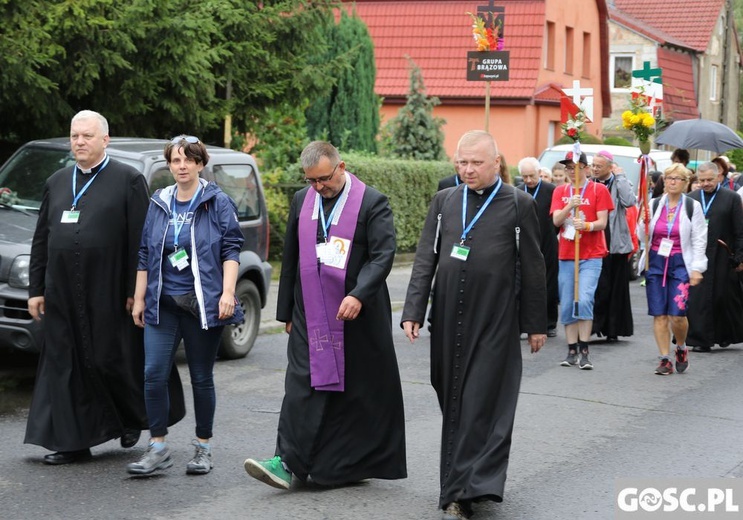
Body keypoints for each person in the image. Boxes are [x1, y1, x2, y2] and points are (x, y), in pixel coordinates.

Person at [243, 141, 406, 489]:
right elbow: (291, 258)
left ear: (341, 166)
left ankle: (341, 466)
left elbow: (382, 255)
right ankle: (285, 461)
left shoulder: (372, 203)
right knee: (301, 383)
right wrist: (285, 309)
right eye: (311, 181)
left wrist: (359, 294)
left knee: (353, 393)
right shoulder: (304, 200)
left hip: (357, 315)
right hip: (310, 311)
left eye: (324, 179)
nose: (319, 187)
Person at [25, 110, 185, 465]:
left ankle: (130, 419)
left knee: (111, 359)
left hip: (109, 289)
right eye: (74, 136)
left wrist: (136, 290)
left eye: (86, 136)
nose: (79, 142)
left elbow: (140, 240)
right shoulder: (56, 181)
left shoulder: (127, 179)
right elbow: (41, 241)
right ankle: (73, 442)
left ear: (104, 140)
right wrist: (36, 289)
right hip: (62, 292)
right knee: (64, 365)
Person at [402, 130, 546, 520]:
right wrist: (413, 310)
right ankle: (463, 480)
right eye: (461, 162)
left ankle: (463, 489)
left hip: (495, 319)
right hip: (448, 316)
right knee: (452, 398)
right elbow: (424, 259)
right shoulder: (445, 200)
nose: (467, 170)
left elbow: (533, 267)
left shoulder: (517, 204)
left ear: (496, 163)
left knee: (482, 400)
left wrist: (536, 324)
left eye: (475, 163)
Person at [126, 136, 244, 476]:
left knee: (201, 377)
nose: (181, 166)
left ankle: (202, 447)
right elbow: (145, 253)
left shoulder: (216, 201)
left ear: (199, 164)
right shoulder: (159, 201)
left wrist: (227, 293)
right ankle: (158, 446)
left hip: (202, 305)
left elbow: (231, 249)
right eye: (175, 160)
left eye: (188, 160)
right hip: (163, 304)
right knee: (153, 375)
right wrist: (139, 297)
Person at [639, 164, 707, 374]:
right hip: (656, 261)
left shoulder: (691, 206)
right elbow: (643, 238)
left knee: (677, 314)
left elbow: (699, 239)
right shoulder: (653, 204)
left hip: (680, 263)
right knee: (659, 314)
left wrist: (697, 268)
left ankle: (680, 346)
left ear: (686, 183)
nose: (672, 182)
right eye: (669, 178)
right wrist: (642, 223)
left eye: (678, 178)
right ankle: (664, 358)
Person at [550, 151, 613, 370]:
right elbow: (556, 220)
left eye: (575, 167)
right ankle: (571, 350)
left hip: (591, 254)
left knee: (584, 298)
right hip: (567, 253)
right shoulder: (560, 191)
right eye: (567, 168)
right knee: (567, 302)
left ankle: (584, 349)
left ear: (585, 168)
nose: (570, 171)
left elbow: (603, 222)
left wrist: (586, 226)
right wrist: (569, 205)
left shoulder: (599, 189)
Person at [686, 161, 743, 352]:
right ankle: (700, 339)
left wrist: (739, 257)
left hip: (722, 254)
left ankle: (723, 334)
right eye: (702, 180)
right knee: (697, 298)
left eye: (710, 179)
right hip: (697, 254)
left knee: (721, 296)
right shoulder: (691, 198)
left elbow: (739, 231)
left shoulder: (732, 198)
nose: (706, 183)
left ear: (719, 177)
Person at [590, 150, 636, 341]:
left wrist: (621, 177)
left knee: (616, 287)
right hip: (594, 238)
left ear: (610, 167)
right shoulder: (590, 184)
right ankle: (593, 326)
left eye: (598, 166)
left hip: (615, 240)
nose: (594, 169)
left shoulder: (619, 181)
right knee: (597, 286)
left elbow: (629, 201)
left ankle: (613, 329)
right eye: (593, 165)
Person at [517, 156, 559, 337]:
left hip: (548, 240)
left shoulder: (551, 190)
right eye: (525, 177)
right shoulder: (517, 192)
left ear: (539, 173)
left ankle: (549, 323)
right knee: (523, 283)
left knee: (548, 282)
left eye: (531, 176)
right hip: (525, 243)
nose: (528, 180)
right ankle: (523, 323)